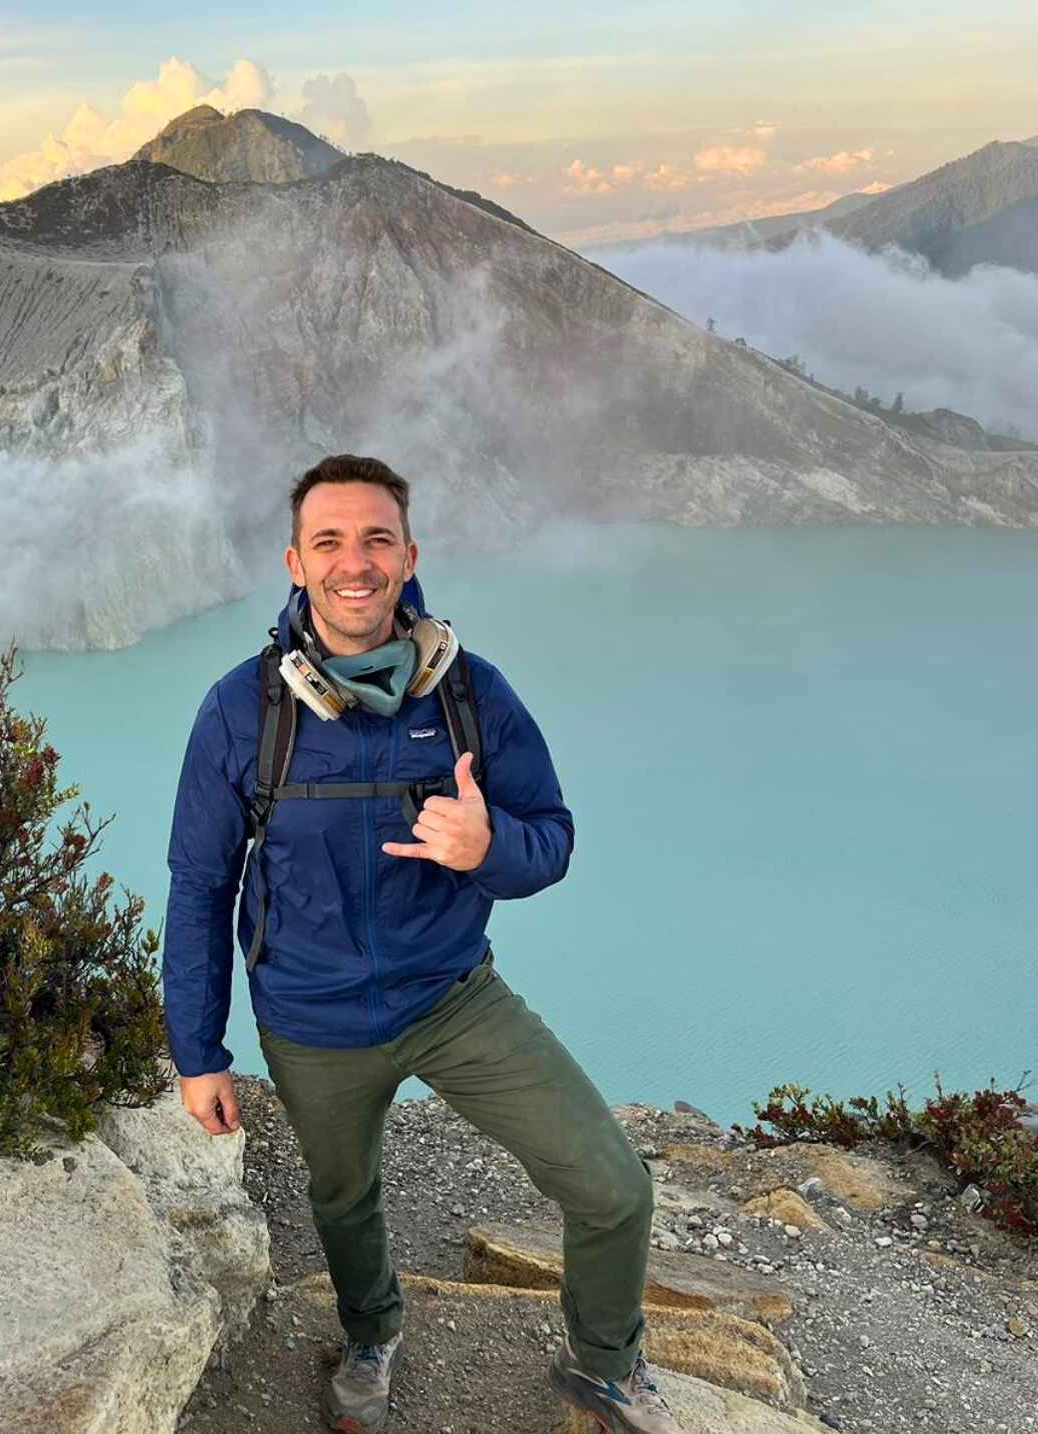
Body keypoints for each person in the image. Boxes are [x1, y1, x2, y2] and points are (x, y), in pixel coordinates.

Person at [160, 454, 682, 1434]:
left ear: (408, 556)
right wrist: (199, 1052)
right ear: (293, 562)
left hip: (451, 998)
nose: (353, 562)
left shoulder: (468, 696)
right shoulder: (242, 710)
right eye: (329, 541)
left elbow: (550, 840)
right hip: (308, 1017)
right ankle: (371, 1336)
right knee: (343, 1196)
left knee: (612, 1186)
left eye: (374, 539)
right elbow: (199, 887)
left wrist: (489, 849)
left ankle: (604, 1363)